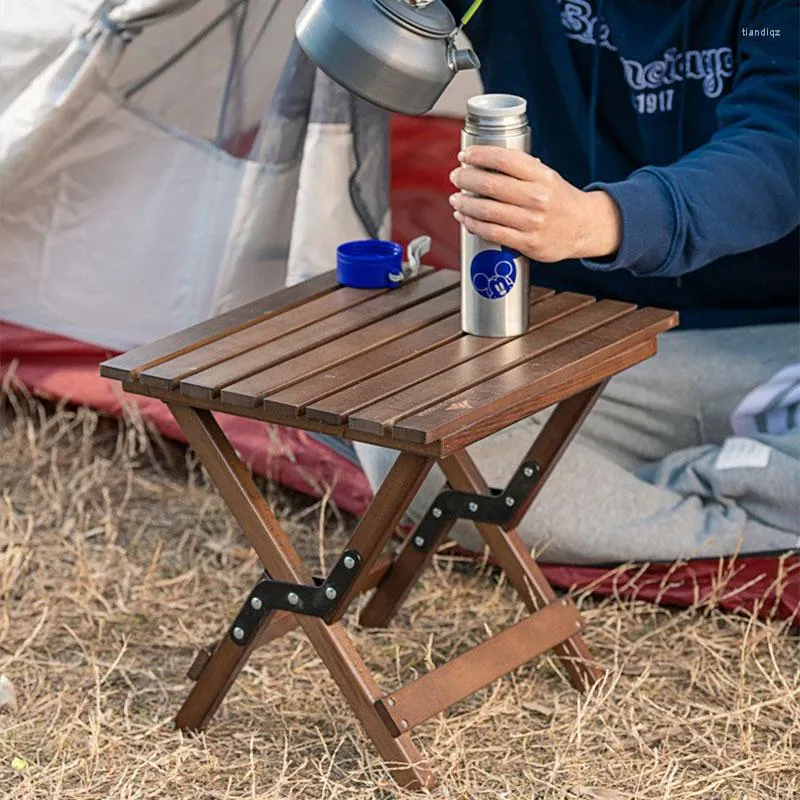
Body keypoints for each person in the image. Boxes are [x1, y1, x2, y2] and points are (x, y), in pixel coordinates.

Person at [353, 0, 800, 563]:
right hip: (588, 341)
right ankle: (731, 509)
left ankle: (649, 497)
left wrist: (604, 221)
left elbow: (781, 146)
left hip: (777, 342)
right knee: (404, 449)